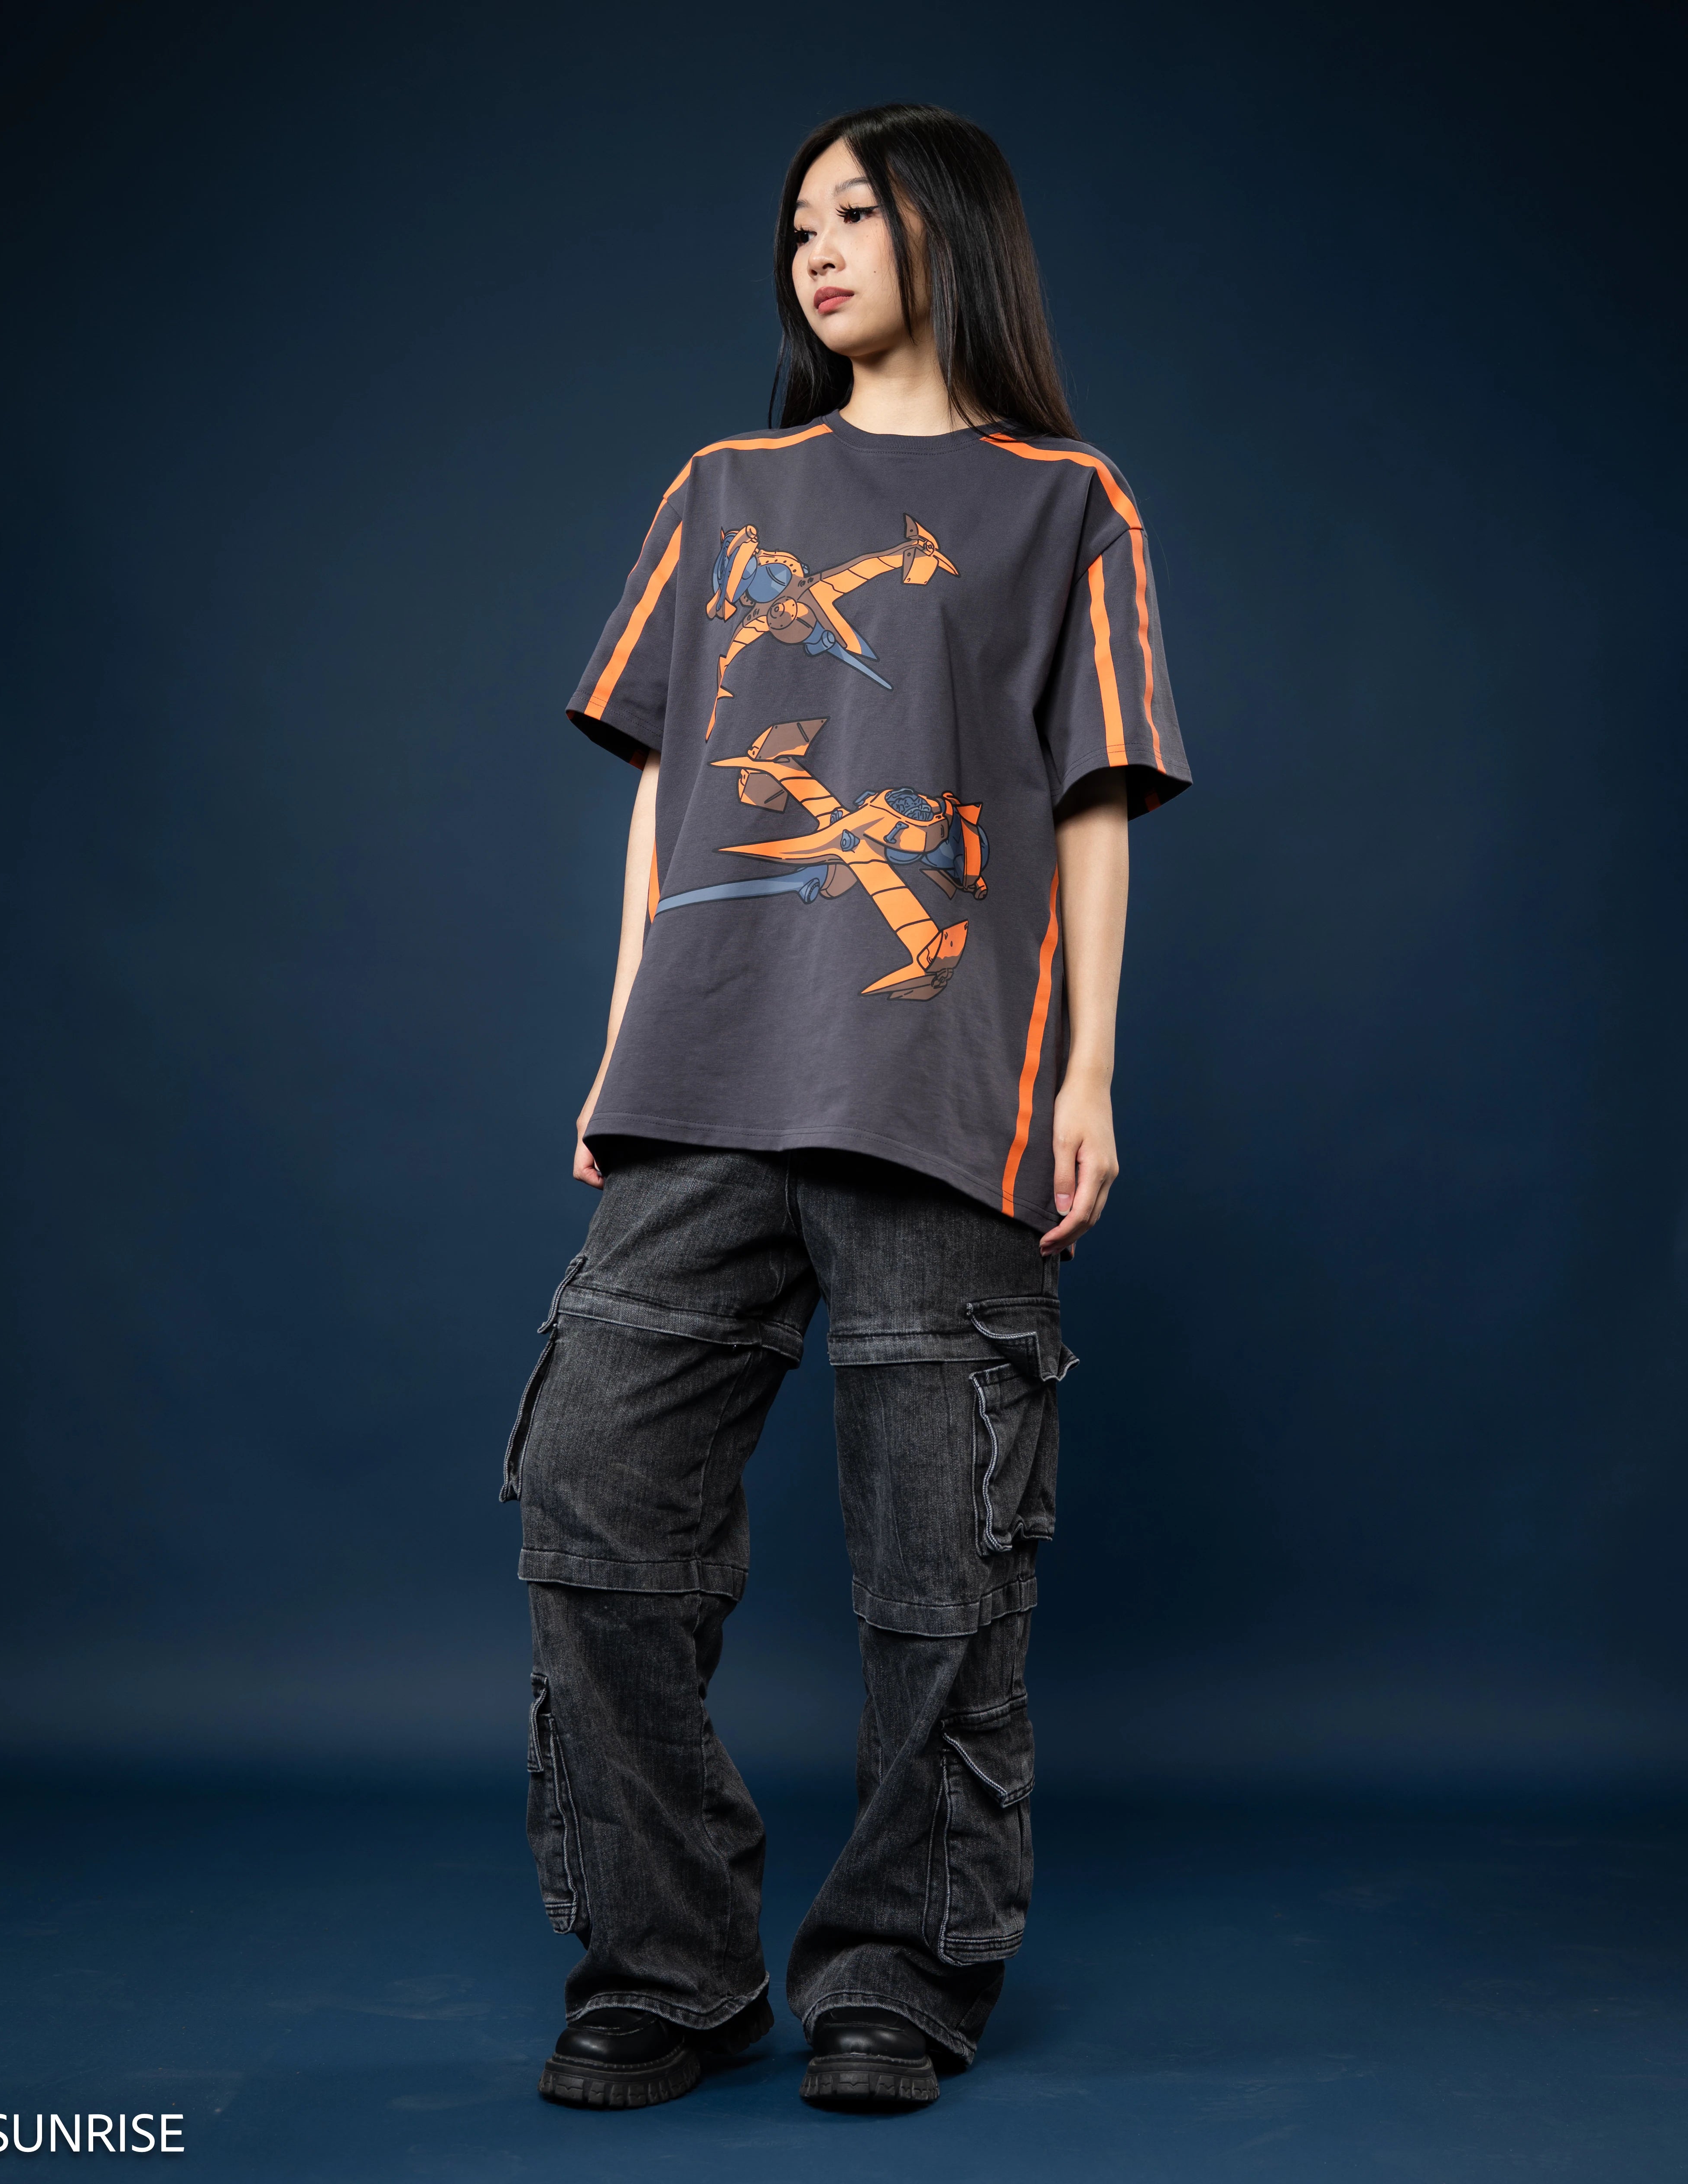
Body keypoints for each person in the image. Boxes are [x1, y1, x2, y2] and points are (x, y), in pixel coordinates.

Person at [502, 101, 1189, 2115]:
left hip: (944, 1091)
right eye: (798, 220)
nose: (816, 250)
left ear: (950, 233)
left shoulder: (1069, 506)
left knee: (940, 1576)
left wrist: (1090, 1072)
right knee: (591, 1508)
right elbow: (666, 789)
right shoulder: (722, 490)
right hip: (704, 1079)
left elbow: (1094, 803)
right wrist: (620, 1045)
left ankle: (904, 1970)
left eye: (858, 214)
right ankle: (669, 1966)